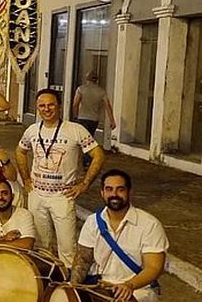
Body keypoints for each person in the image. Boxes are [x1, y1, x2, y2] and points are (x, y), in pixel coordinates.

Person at [15, 88, 105, 268]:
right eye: (42, 106)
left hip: (63, 197)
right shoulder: (32, 130)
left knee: (67, 247)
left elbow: (98, 155)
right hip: (37, 195)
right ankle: (46, 284)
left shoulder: (75, 130)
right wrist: (25, 178)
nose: (46, 109)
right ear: (37, 108)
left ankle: (67, 287)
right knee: (40, 245)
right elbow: (20, 151)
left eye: (50, 105)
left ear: (59, 106)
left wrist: (85, 184)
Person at [72, 170, 168, 302]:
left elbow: (154, 267)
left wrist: (129, 285)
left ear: (129, 192)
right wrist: (72, 289)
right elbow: (83, 259)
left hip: (137, 289)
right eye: (109, 189)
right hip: (99, 286)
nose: (114, 194)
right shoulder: (92, 221)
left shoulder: (150, 224)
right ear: (102, 193)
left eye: (120, 189)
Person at [73, 71, 116, 159]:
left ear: (87, 79)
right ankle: (87, 159)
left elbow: (75, 104)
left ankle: (82, 159)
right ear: (96, 80)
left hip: (82, 118)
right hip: (94, 119)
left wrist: (75, 115)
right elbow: (108, 106)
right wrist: (112, 120)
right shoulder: (101, 91)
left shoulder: (81, 89)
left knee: (81, 140)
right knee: (89, 139)